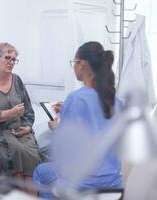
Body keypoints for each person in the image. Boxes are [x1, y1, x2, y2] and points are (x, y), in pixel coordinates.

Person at [33, 41, 122, 198]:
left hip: (82, 184)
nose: (73, 66)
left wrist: (56, 126)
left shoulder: (76, 99)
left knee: (41, 172)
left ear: (81, 64)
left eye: (74, 63)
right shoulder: (117, 101)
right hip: (113, 183)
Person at [0, 42, 43, 194]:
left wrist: (27, 127)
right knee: (15, 149)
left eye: (14, 59)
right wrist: (9, 113)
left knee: (31, 151)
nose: (11, 62)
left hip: (19, 129)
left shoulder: (17, 81)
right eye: (7, 58)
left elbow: (28, 110)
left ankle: (31, 196)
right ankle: (20, 195)